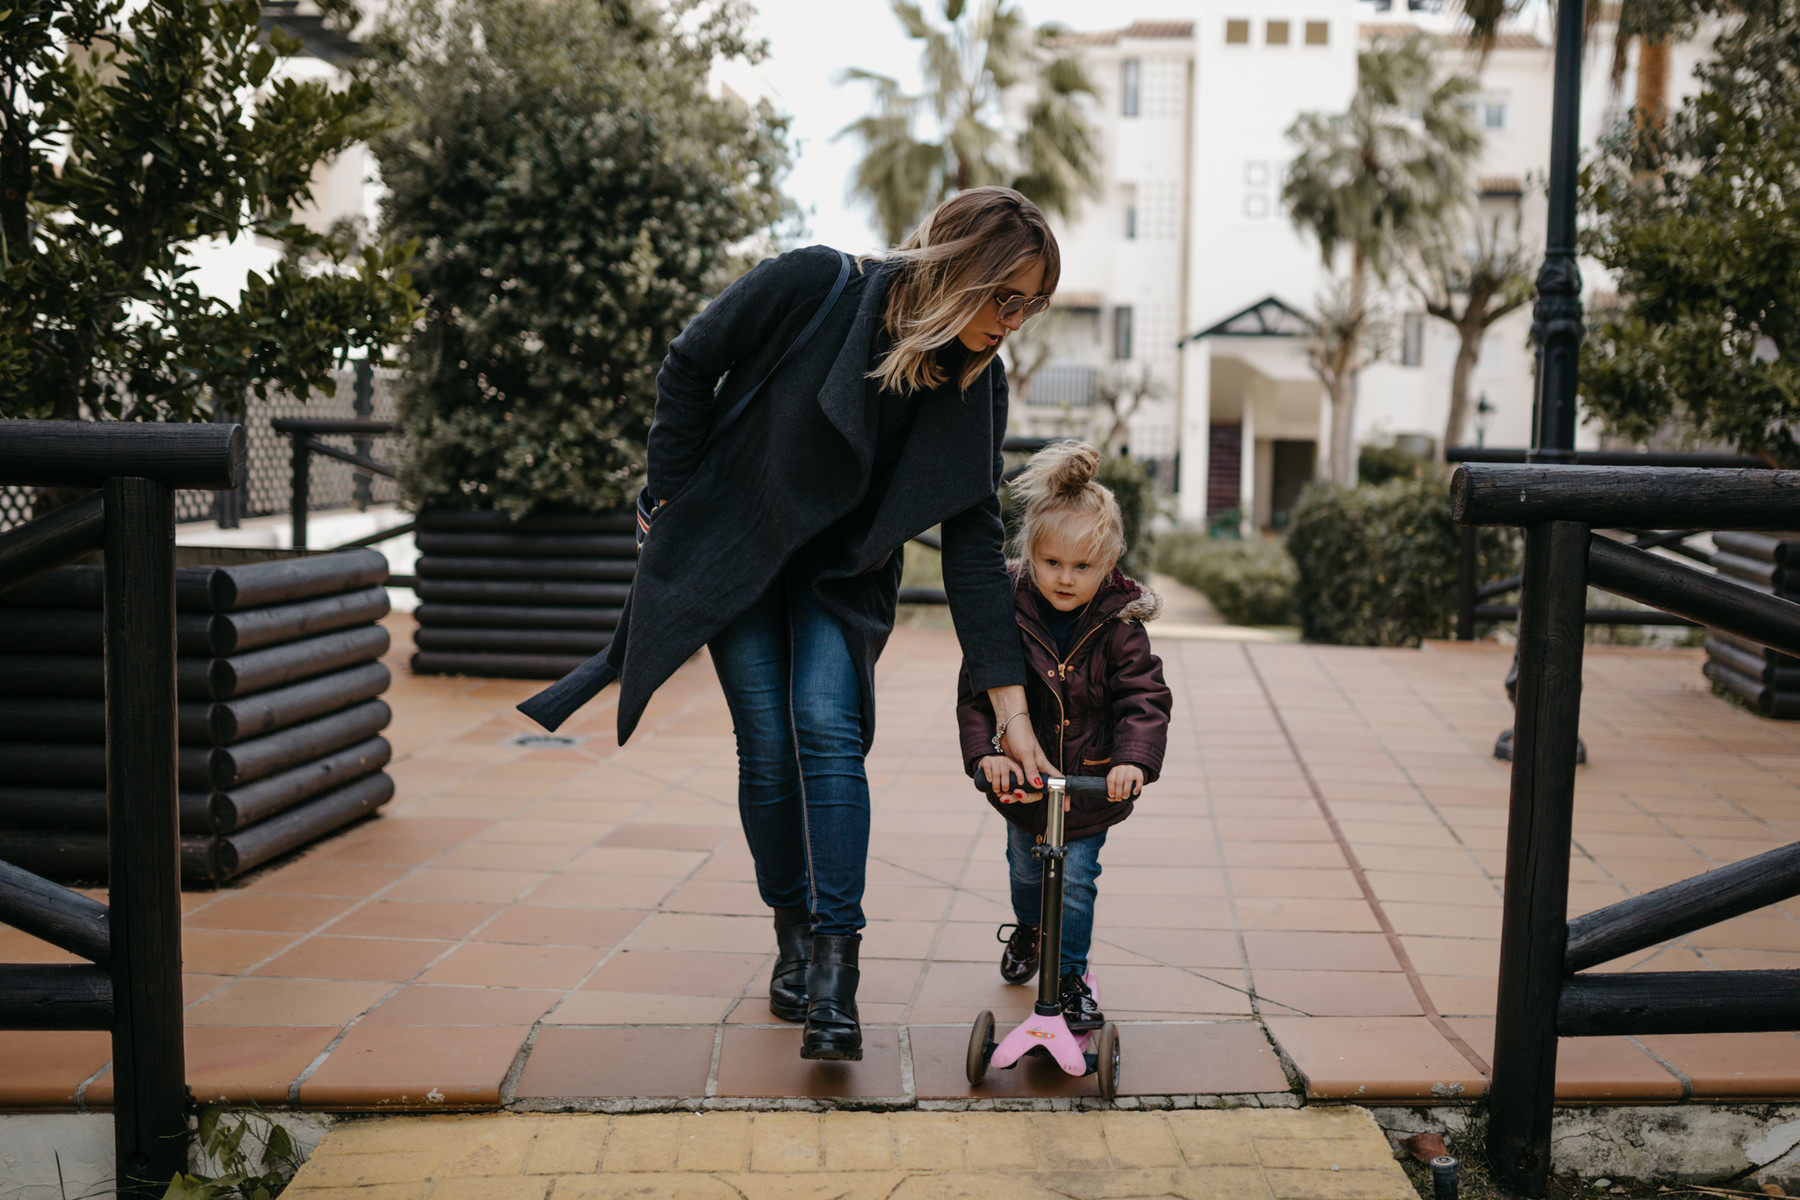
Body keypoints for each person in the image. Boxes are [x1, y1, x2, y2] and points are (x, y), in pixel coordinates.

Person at [520, 187, 1063, 1061]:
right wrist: (667, 496)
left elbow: (971, 543)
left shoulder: (975, 382)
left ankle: (835, 979)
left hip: (841, 577)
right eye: (1006, 297)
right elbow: (689, 363)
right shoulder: (815, 283)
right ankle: (794, 934)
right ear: (960, 269)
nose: (1014, 321)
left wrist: (1012, 708)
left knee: (826, 727)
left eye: (1030, 306)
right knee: (768, 744)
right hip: (738, 543)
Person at [956, 440, 1172, 1031]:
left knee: (1075, 882)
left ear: (1109, 563)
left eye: (1083, 567)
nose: (1066, 579)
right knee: (1027, 874)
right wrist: (986, 755)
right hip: (1026, 790)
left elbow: (1144, 699)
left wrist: (1132, 761)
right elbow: (978, 690)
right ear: (1029, 556)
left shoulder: (1119, 627)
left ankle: (1071, 976)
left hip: (1087, 785)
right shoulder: (1008, 611)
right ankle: (1029, 929)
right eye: (1052, 563)